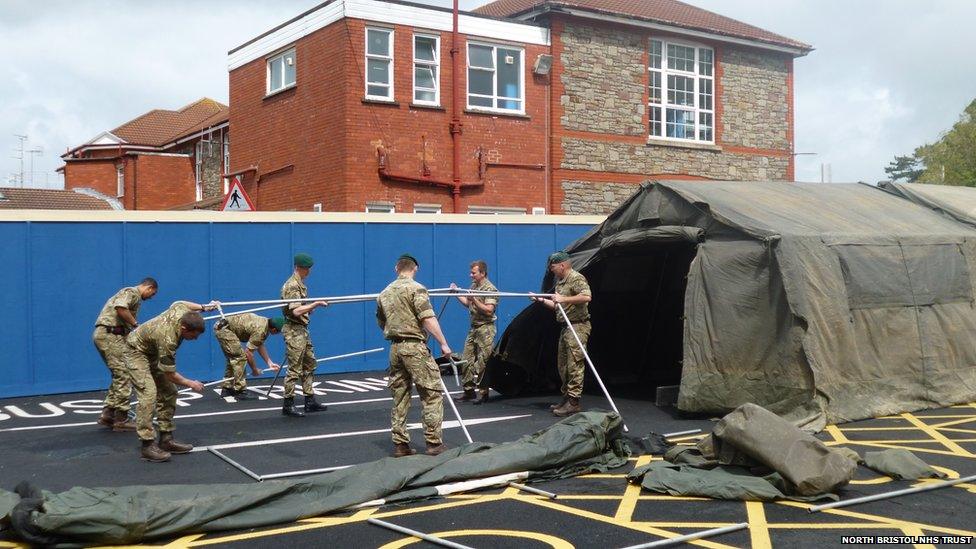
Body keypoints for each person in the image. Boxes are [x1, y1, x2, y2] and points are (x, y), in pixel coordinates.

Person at [377, 253, 453, 457]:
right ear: (415, 269)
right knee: (431, 392)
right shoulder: (416, 288)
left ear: (396, 268)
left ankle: (400, 444)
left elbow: (381, 321)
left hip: (395, 348)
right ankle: (433, 442)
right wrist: (443, 343)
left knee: (400, 395)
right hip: (414, 347)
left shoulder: (384, 293)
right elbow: (427, 317)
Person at [125, 300, 218, 462]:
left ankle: (166, 439)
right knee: (148, 394)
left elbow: (179, 302)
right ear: (184, 328)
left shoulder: (181, 312)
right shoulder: (168, 339)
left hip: (152, 351)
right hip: (135, 352)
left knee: (169, 391)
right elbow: (170, 374)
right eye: (193, 335)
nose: (195, 339)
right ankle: (147, 445)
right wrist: (191, 383)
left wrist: (204, 307)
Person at [92, 277, 158, 432]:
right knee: (124, 374)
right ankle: (121, 418)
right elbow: (121, 308)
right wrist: (136, 324)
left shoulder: (133, 295)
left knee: (118, 374)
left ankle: (108, 413)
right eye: (152, 293)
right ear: (148, 287)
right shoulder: (131, 292)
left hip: (112, 335)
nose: (151, 297)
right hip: (110, 335)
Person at [531, 251, 592, 417]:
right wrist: (541, 300)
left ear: (562, 265)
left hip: (577, 327)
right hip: (565, 327)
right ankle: (566, 398)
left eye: (553, 267)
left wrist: (564, 299)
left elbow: (586, 296)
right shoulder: (560, 283)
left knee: (574, 365)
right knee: (563, 366)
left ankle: (574, 402)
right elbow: (558, 306)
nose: (552, 270)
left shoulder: (576, 278)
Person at [280, 253, 329, 417]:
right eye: (308, 269)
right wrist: (314, 304)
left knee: (309, 364)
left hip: (302, 330)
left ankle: (309, 400)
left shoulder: (300, 284)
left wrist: (309, 308)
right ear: (300, 268)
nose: (309, 272)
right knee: (294, 368)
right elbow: (295, 310)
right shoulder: (292, 285)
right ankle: (288, 404)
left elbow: (301, 309)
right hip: (294, 331)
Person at [449, 260, 498, 405]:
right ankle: (468, 390)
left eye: (474, 273)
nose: (471, 275)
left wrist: (475, 300)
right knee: (467, 359)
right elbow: (467, 303)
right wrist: (456, 293)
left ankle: (483, 393)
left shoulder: (490, 289)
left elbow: (489, 310)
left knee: (483, 361)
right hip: (474, 328)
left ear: (482, 273)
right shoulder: (474, 286)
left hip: (486, 328)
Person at [214, 314, 284, 399]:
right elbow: (248, 353)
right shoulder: (261, 330)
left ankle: (227, 388)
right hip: (224, 329)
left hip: (223, 326)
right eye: (279, 331)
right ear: (273, 330)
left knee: (233, 358)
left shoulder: (265, 322)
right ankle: (240, 391)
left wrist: (270, 363)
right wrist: (254, 370)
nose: (279, 333)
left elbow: (258, 344)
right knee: (239, 357)